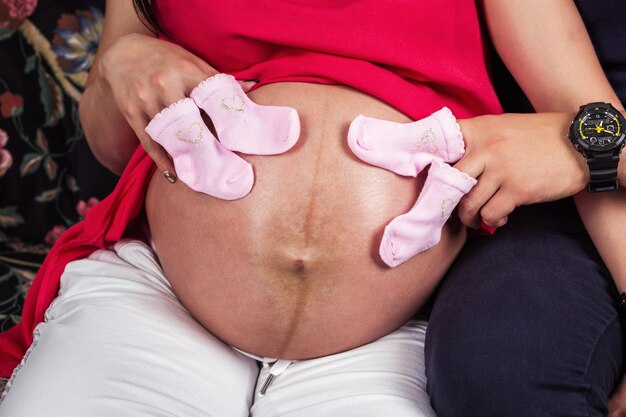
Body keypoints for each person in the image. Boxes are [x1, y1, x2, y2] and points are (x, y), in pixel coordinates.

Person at [0, 0, 624, 416]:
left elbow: (597, 141)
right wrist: (121, 59)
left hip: (394, 326)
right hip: (163, 296)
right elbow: (112, 148)